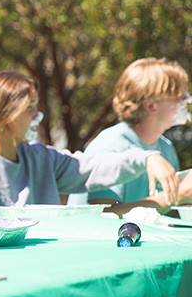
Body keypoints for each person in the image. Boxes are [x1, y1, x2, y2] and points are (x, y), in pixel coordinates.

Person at [0, 71, 179, 216]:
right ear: (6, 112)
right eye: (30, 107)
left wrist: (146, 157)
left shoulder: (41, 157)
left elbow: (91, 167)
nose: (39, 115)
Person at [68, 58, 192, 215]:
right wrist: (178, 195)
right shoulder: (109, 146)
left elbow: (167, 214)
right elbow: (104, 217)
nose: (186, 100)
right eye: (178, 95)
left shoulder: (165, 147)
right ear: (151, 105)